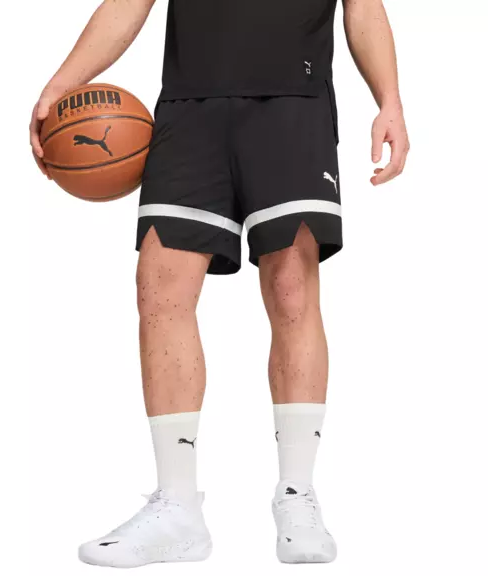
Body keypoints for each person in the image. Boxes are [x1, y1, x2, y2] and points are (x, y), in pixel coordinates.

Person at [30, 0, 409, 568]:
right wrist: (62, 82)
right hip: (189, 108)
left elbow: (363, 7)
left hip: (293, 102)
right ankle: (177, 507)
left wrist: (389, 99)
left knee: (292, 289)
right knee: (159, 287)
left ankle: (297, 494)